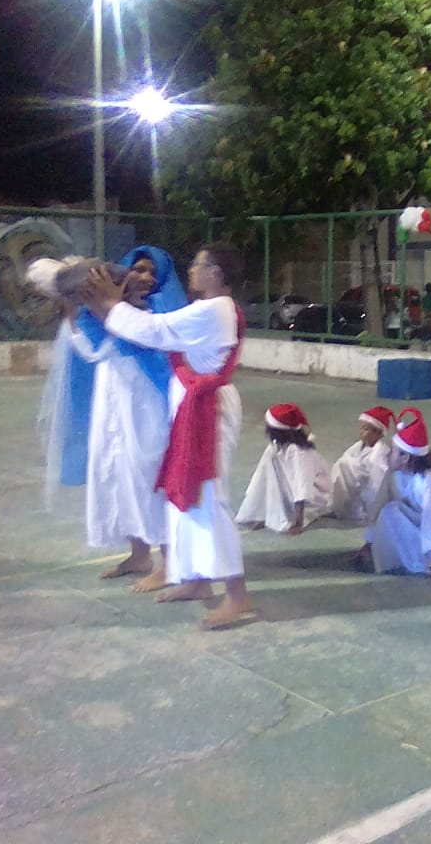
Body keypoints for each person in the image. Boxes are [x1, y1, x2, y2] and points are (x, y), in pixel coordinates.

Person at [84, 242, 253, 630]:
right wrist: (108, 305)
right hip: (193, 410)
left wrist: (109, 303)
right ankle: (197, 581)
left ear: (215, 273)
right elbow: (156, 330)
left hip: (207, 413)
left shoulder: (214, 310)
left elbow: (154, 331)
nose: (190, 270)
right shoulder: (208, 307)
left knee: (208, 500)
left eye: (197, 264)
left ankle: (237, 594)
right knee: (185, 499)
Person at [67, 246, 187, 585]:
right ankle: (139, 555)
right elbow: (92, 350)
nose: (145, 277)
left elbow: (152, 346)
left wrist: (110, 308)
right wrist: (76, 313)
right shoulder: (105, 311)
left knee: (152, 474)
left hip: (150, 405)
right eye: (138, 269)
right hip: (114, 402)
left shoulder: (163, 311)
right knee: (119, 472)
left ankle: (170, 562)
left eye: (152, 272)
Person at [352, 408, 431, 580]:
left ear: (405, 457)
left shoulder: (428, 482)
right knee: (389, 510)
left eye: (392, 451)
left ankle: (425, 559)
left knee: (392, 510)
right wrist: (368, 544)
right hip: (412, 522)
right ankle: (410, 555)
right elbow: (379, 504)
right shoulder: (394, 474)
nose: (388, 454)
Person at [236, 403, 332, 534]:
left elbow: (302, 485)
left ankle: (293, 516)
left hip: (313, 497)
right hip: (292, 492)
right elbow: (263, 475)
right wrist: (258, 509)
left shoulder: (298, 452)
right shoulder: (276, 445)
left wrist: (299, 523)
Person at [330, 406, 394, 521]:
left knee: (344, 465)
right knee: (341, 464)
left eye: (366, 429)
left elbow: (378, 481)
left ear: (378, 434)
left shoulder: (380, 453)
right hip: (353, 491)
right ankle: (337, 504)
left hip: (364, 495)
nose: (362, 432)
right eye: (361, 428)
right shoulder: (358, 446)